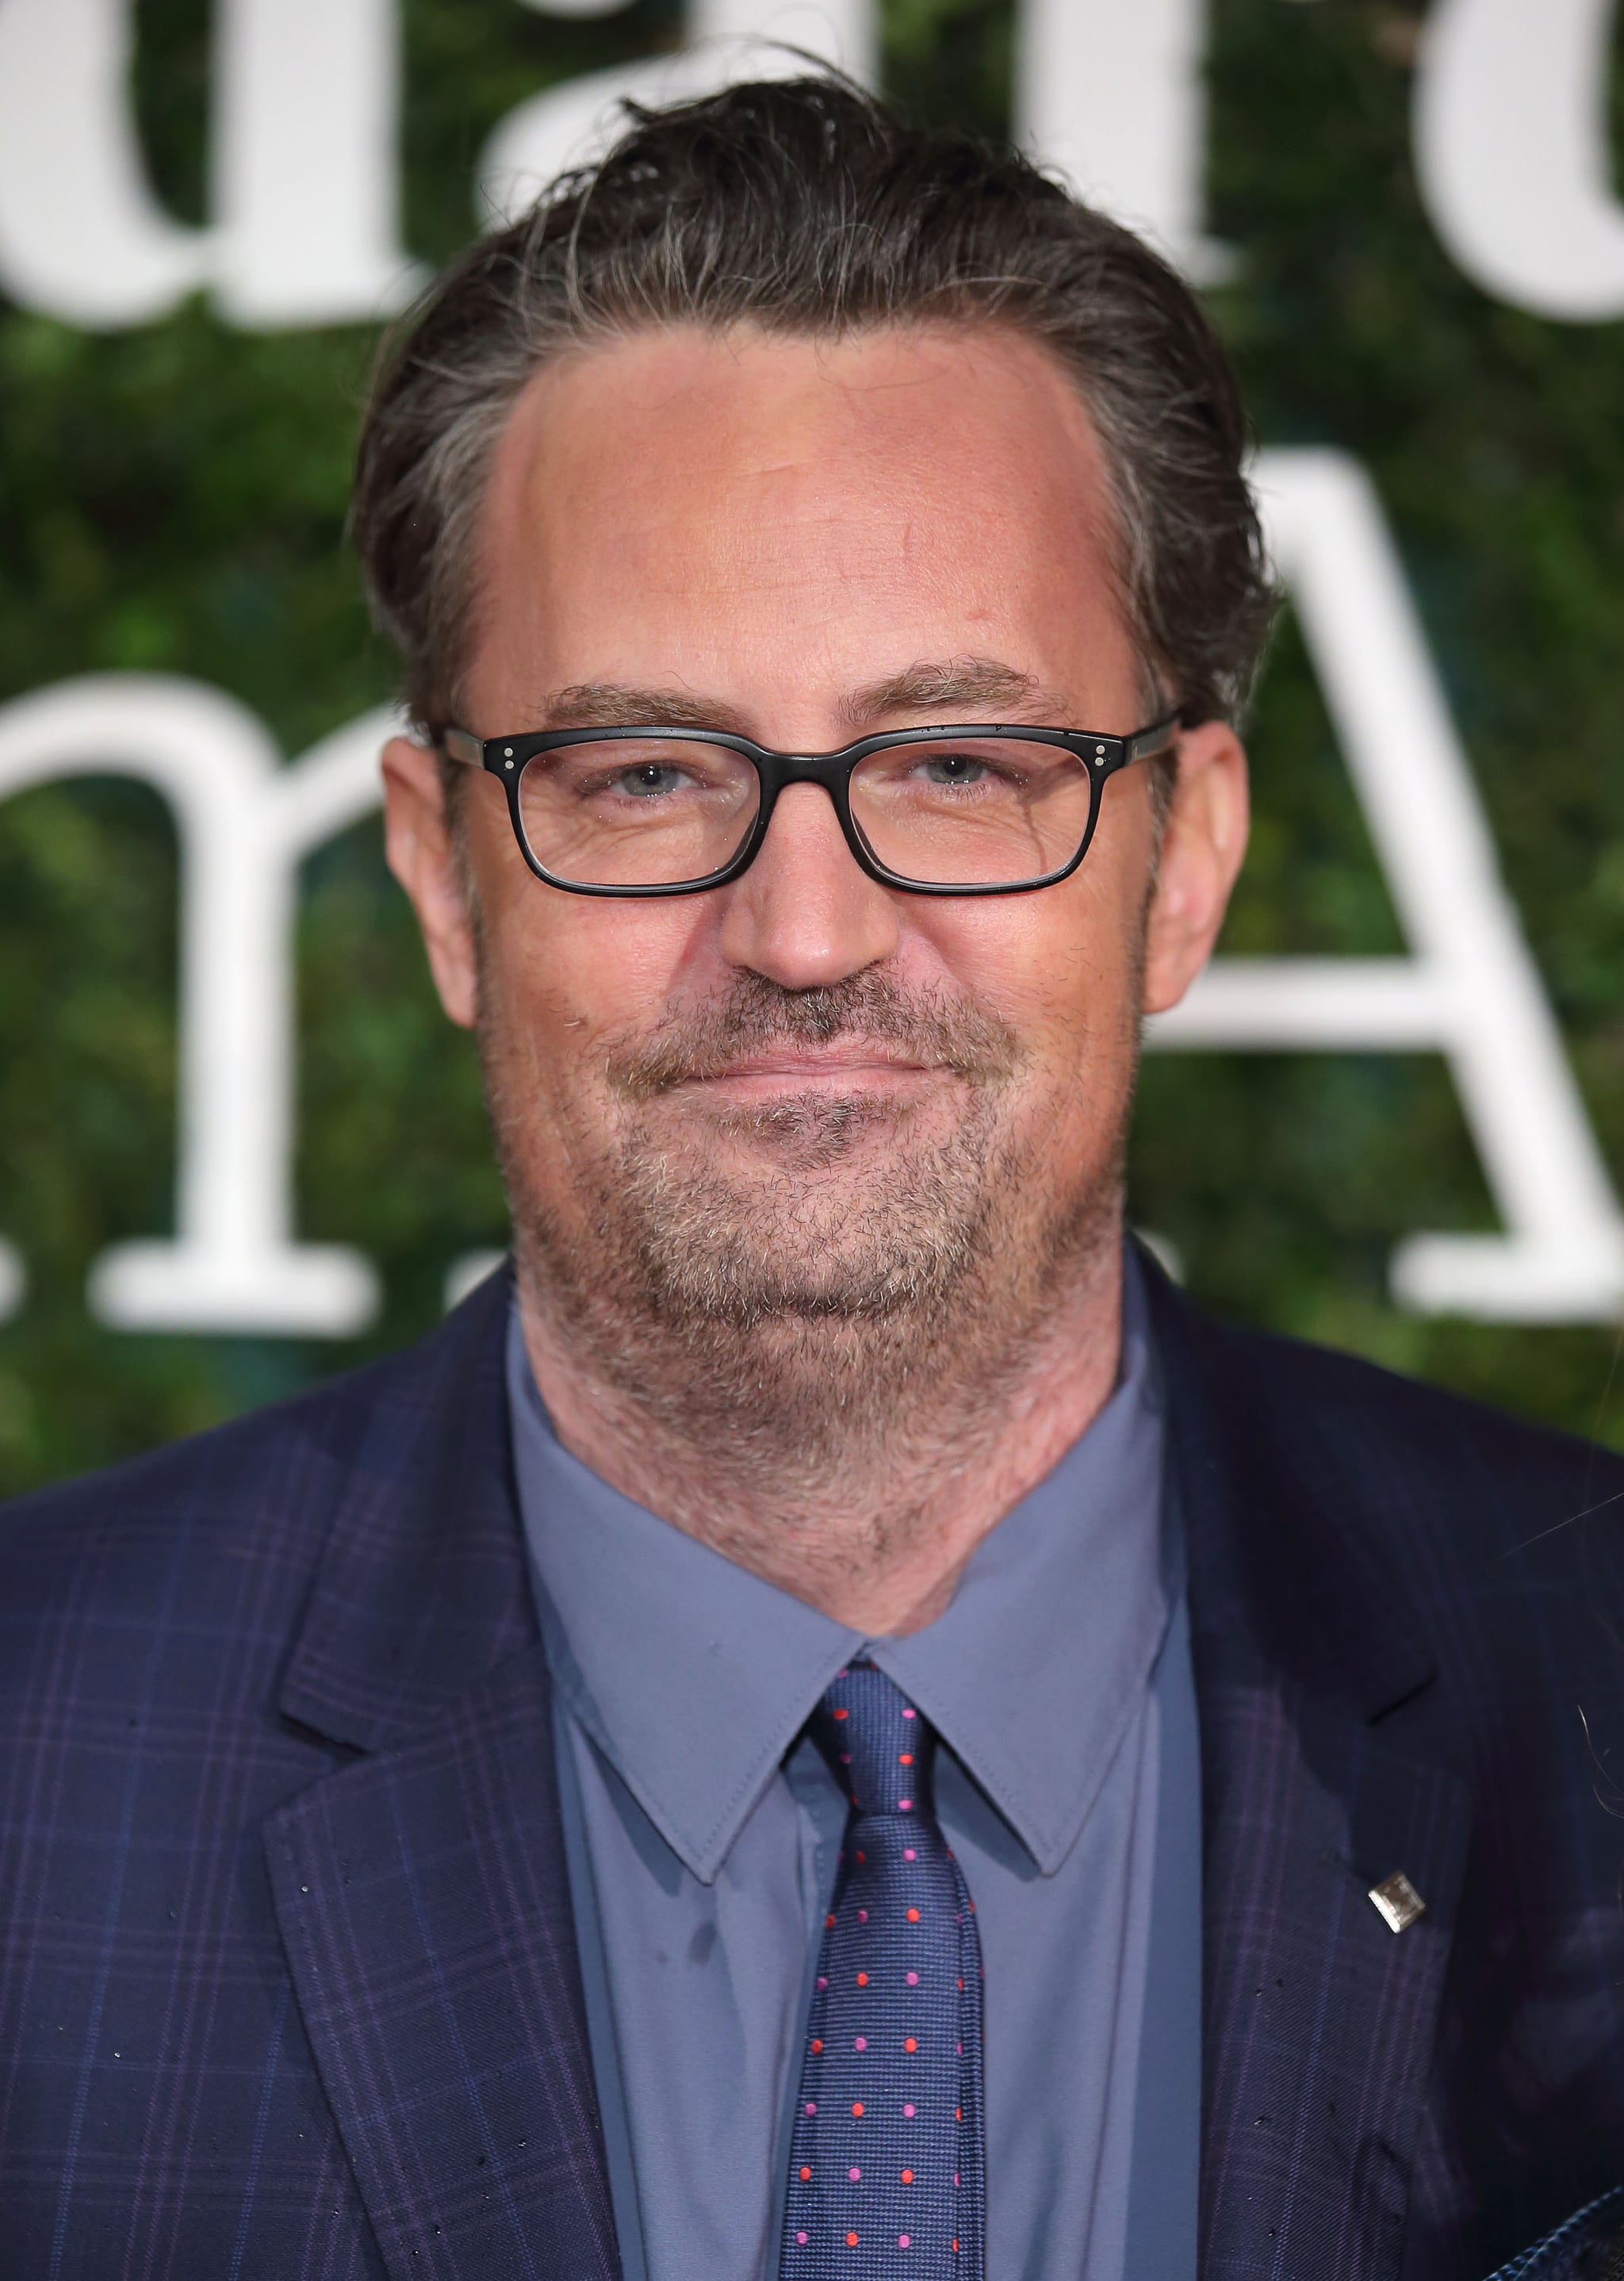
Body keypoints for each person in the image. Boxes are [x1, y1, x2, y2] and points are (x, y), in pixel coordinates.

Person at [2, 72, 1622, 2281]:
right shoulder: (33, 1763)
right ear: (445, 879)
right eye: (646, 768)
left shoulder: (1592, 1678)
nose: (804, 929)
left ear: (1186, 859)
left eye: (958, 763)